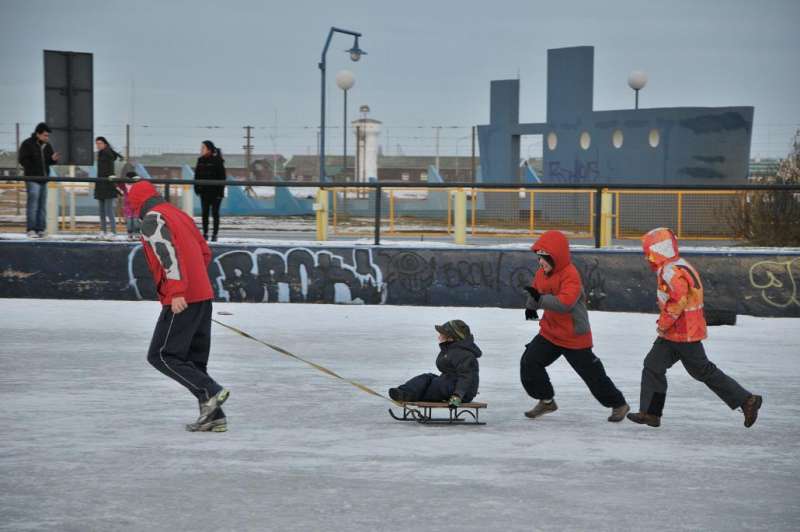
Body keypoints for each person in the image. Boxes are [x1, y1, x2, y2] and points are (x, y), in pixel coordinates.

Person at [627, 227, 763, 428]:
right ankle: (651, 413)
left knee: (702, 371)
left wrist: (663, 324)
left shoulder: (670, 271)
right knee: (654, 365)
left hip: (682, 332)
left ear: (659, 249)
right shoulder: (679, 264)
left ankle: (747, 400)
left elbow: (678, 300)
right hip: (680, 331)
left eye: (649, 252)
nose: (648, 257)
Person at [127, 180, 230, 432]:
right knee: (194, 361)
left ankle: (210, 390)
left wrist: (177, 291)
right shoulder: (179, 214)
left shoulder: (153, 219)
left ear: (136, 203)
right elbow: (204, 252)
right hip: (202, 294)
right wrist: (194, 281)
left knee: (162, 355)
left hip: (182, 297)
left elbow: (168, 256)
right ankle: (214, 417)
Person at [520, 230, 630, 422]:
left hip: (574, 335)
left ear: (556, 258)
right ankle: (546, 401)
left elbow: (565, 304)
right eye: (539, 258)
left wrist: (539, 299)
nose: (540, 262)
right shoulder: (541, 273)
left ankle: (619, 404)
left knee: (593, 375)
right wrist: (531, 306)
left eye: (544, 258)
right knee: (529, 362)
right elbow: (536, 292)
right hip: (550, 332)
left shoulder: (571, 275)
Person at [389, 319, 481, 406]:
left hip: (462, 393)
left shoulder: (464, 354)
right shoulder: (451, 350)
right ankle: (404, 393)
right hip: (451, 385)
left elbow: (466, 378)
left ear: (451, 338)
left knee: (433, 385)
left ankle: (411, 395)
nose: (439, 336)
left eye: (442, 334)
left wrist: (457, 398)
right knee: (426, 377)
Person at [17, 122, 60, 237]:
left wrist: (53, 159)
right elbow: (22, 160)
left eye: (48, 136)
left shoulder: (47, 145)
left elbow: (50, 162)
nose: (47, 138)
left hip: (44, 179)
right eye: (45, 135)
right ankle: (31, 229)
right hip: (32, 178)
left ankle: (40, 229)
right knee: (33, 205)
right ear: (38, 134)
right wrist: (33, 169)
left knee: (42, 206)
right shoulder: (27, 144)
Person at [194, 140, 227, 241]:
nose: (201, 150)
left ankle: (215, 235)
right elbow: (197, 176)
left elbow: (222, 177)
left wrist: (220, 193)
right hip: (204, 192)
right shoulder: (200, 160)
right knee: (205, 213)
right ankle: (205, 233)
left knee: (215, 213)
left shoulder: (217, 161)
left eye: (203, 148)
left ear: (209, 149)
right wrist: (197, 189)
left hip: (216, 193)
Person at [95, 136, 123, 236]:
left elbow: (110, 171)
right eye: (97, 144)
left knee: (108, 209)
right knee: (102, 210)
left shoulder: (107, 153)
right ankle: (103, 230)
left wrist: (112, 184)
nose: (98, 145)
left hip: (108, 184)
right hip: (100, 184)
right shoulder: (101, 153)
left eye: (100, 143)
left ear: (105, 144)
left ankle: (113, 231)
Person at [116, 171, 140, 240]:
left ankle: (137, 234)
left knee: (136, 222)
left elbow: (142, 183)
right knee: (129, 222)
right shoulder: (124, 185)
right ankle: (130, 235)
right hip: (128, 207)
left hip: (136, 207)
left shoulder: (137, 185)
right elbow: (118, 184)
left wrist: (138, 179)